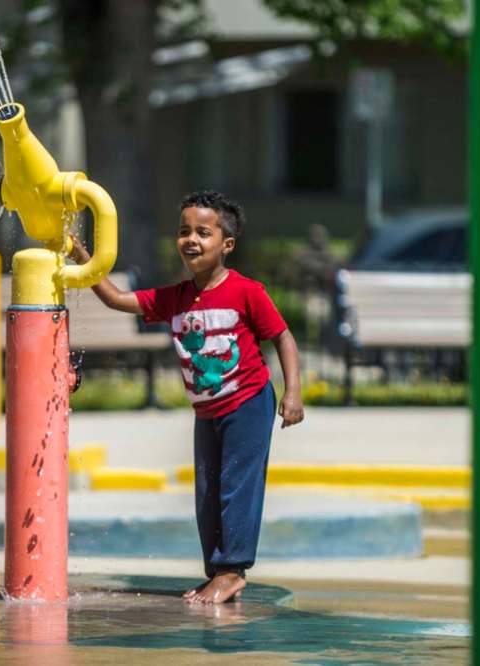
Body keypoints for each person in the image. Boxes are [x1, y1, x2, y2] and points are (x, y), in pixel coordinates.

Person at [70, 190, 304, 604]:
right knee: (207, 492)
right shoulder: (174, 297)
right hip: (208, 410)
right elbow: (114, 298)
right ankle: (216, 572)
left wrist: (293, 393)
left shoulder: (246, 292)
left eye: (203, 232)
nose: (191, 239)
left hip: (248, 402)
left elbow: (282, 337)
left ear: (226, 245)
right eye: (183, 231)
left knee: (236, 485)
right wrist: (81, 255)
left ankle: (233, 570)